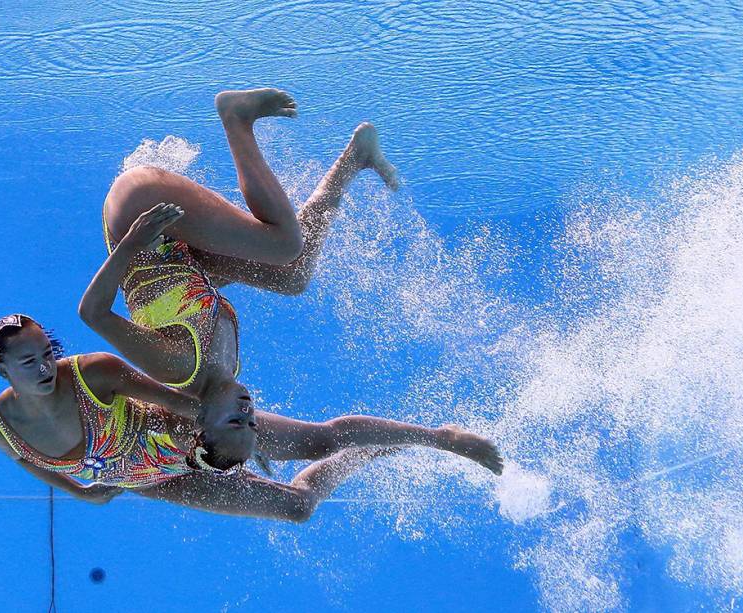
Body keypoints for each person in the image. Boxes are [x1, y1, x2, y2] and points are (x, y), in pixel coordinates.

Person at [80, 87, 504, 478]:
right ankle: (354, 159)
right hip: (179, 251)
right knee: (292, 277)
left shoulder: (177, 365)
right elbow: (328, 438)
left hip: (140, 213)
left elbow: (94, 313)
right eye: (251, 423)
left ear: (201, 420)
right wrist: (441, 440)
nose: (248, 412)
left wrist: (131, 242)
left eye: (235, 421)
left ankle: (236, 117)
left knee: (284, 244)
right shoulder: (224, 378)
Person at [0, 314, 405, 521]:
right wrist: (78, 491)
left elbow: (183, 403)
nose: (44, 369)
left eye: (47, 355)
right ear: (3, 371)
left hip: (184, 436)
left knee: (319, 441)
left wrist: (236, 433)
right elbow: (25, 460)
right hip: (154, 481)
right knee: (297, 508)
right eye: (29, 362)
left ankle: (439, 436)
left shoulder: (93, 373)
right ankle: (364, 455)